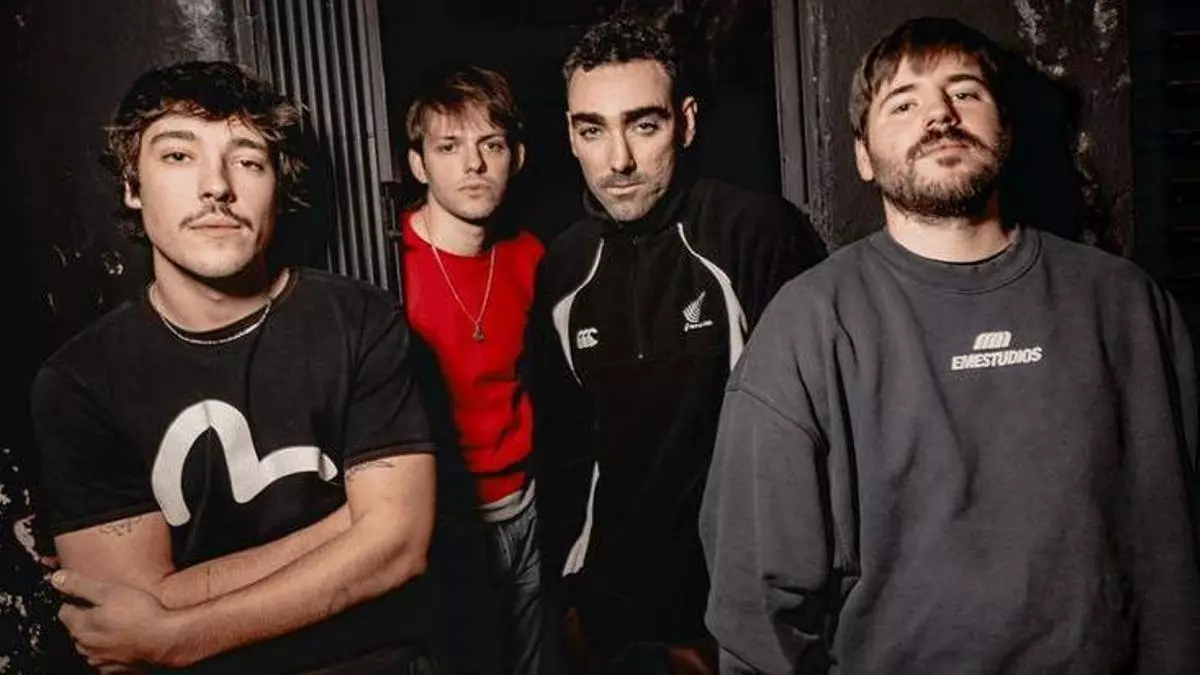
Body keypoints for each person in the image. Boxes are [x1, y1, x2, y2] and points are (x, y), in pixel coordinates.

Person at [700, 16, 1200, 674]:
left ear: (1006, 128)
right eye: (903, 103)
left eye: (965, 92)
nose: (939, 114)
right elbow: (756, 610)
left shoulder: (1123, 303)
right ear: (862, 155)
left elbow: (1173, 554)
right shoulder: (809, 324)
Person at [30, 60, 437, 674]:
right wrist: (353, 525)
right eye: (178, 156)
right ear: (132, 186)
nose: (216, 186)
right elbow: (130, 609)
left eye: (247, 160)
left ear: (279, 186)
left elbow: (399, 548)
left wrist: (178, 636)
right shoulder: (78, 383)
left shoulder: (361, 320)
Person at [531, 13, 826, 674]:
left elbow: (815, 439)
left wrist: (765, 617)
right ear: (571, 135)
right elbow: (565, 452)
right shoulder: (563, 268)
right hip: (610, 618)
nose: (619, 161)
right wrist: (571, 600)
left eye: (643, 125)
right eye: (592, 130)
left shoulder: (755, 233)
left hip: (737, 613)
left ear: (685, 123)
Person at [396, 62, 547, 675]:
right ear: (418, 164)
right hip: (440, 523)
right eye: (449, 147)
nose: (474, 164)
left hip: (527, 508)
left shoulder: (533, 258)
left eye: (492, 145)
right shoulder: (388, 266)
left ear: (517, 157)